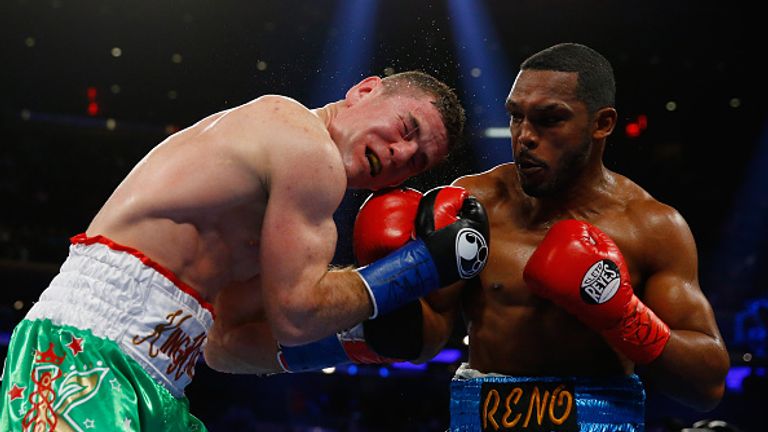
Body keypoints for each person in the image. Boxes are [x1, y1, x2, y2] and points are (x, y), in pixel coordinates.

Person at [0, 70, 490, 431]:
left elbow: (225, 345)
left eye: (417, 162)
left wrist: (357, 341)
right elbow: (299, 313)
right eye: (407, 130)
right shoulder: (305, 146)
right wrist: (422, 265)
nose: (401, 155)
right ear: (364, 91)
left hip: (160, 380)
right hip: (81, 354)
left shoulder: (281, 210)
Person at [419, 43, 731, 431]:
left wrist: (621, 312)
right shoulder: (476, 203)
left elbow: (707, 385)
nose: (525, 137)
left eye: (550, 119)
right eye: (516, 116)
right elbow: (424, 339)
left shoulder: (651, 227)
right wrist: (396, 275)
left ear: (602, 123)